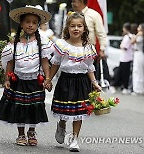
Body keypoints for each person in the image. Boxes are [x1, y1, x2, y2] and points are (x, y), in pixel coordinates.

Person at [0, 5, 53, 146]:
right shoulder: (14, 44)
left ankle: (32, 132)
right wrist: (7, 79)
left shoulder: (42, 43)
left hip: (35, 81)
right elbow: (10, 63)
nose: (30, 25)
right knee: (19, 107)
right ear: (21, 24)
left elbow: (45, 62)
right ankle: (21, 134)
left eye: (34, 22)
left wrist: (47, 78)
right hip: (18, 80)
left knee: (34, 106)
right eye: (27, 21)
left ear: (38, 25)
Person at [49, 12, 101, 152]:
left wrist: (94, 82)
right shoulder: (62, 45)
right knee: (65, 111)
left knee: (79, 112)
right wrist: (48, 79)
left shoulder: (88, 48)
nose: (76, 29)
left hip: (82, 82)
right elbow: (55, 64)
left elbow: (90, 68)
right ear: (67, 28)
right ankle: (61, 124)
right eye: (73, 26)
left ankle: (74, 139)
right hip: (65, 80)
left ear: (84, 28)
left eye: (79, 26)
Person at [71, 0, 110, 83]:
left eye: (74, 1)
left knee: (89, 82)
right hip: (72, 54)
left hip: (89, 54)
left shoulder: (94, 15)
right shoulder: (71, 16)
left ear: (81, 1)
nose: (72, 4)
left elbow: (101, 34)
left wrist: (102, 49)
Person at [110, 23, 133, 94]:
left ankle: (124, 87)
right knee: (120, 72)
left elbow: (125, 47)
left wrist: (122, 46)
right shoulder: (126, 36)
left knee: (125, 73)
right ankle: (115, 85)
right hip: (123, 58)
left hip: (127, 58)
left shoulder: (130, 36)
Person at [131, 23, 144, 95]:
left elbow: (132, 41)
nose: (137, 28)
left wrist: (137, 35)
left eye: (139, 27)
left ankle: (138, 89)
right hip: (138, 54)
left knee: (138, 72)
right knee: (137, 71)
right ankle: (137, 89)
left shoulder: (140, 36)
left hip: (139, 54)